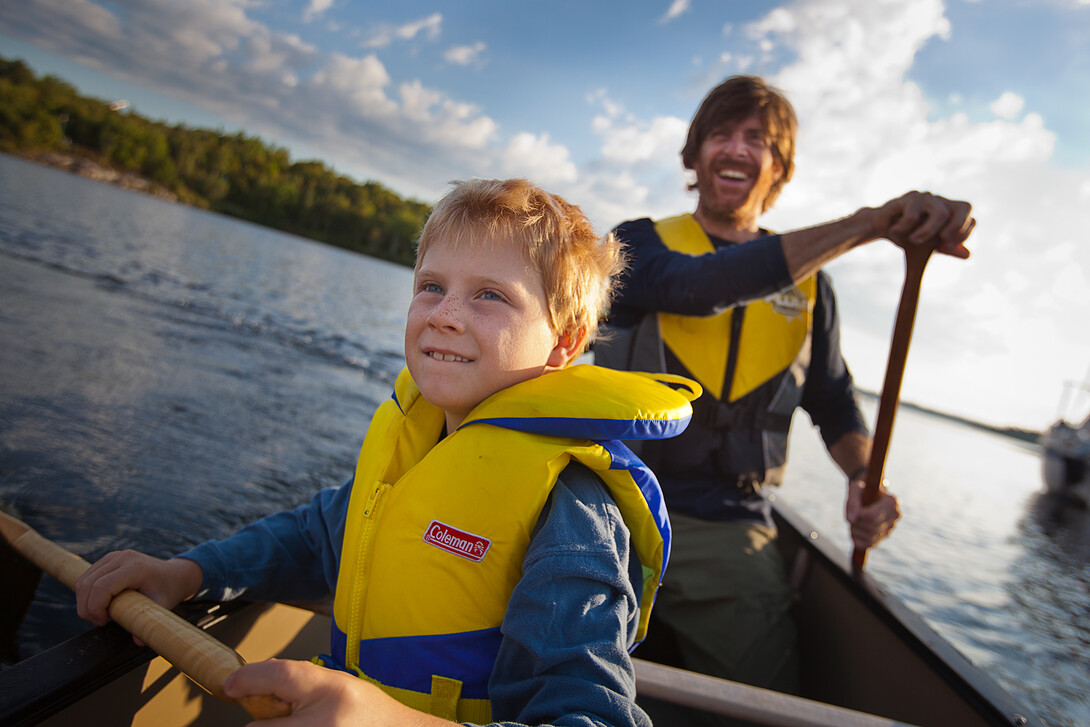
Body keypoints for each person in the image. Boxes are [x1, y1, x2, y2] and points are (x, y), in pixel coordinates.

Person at [74, 178, 700, 727]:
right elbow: (315, 534)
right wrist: (189, 572)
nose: (446, 315)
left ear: (564, 343)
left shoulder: (572, 514)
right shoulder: (419, 441)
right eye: (431, 286)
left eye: (490, 295)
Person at [594, 75, 976, 712]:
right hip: (613, 507)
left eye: (758, 140)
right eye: (721, 134)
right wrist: (870, 224)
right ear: (696, 154)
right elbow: (697, 287)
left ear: (780, 167)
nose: (737, 149)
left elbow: (831, 399)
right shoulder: (637, 245)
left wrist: (862, 478)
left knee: (771, 703)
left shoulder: (811, 289)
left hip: (731, 525)